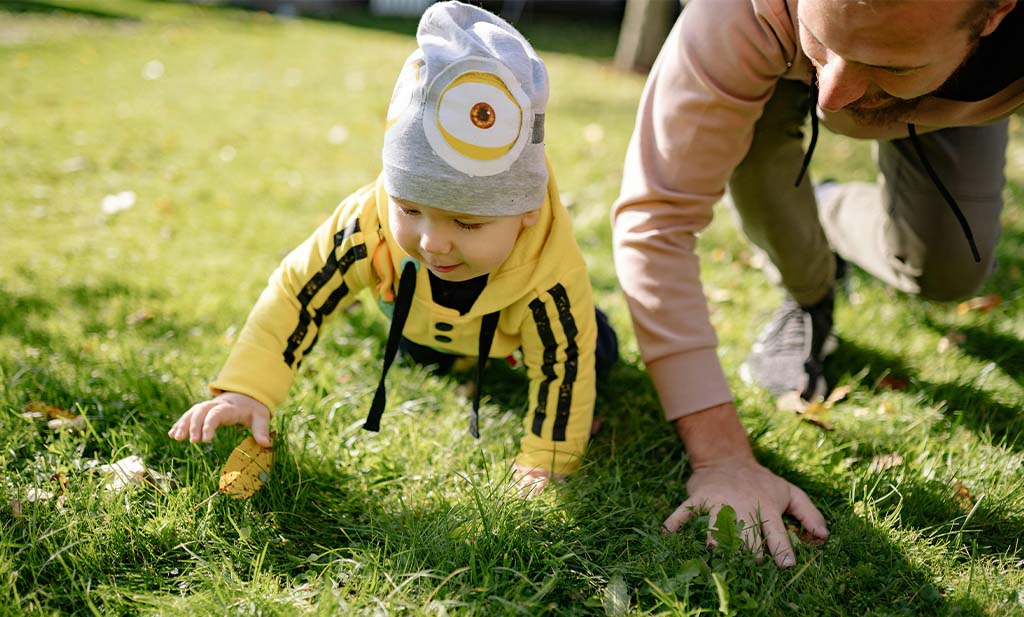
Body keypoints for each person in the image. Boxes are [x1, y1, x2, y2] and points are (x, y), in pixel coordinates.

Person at [612, 0, 1020, 566]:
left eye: (890, 65)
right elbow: (657, 218)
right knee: (759, 180)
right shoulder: (737, 13)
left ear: (997, 12)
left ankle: (823, 207)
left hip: (950, 98)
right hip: (768, 52)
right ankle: (810, 292)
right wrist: (722, 459)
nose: (831, 95)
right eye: (822, 43)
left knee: (948, 272)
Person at [169, 0, 618, 493]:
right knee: (421, 351)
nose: (431, 241)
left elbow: (565, 365)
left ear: (526, 212)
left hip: (516, 329)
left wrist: (547, 460)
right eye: (409, 210)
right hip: (423, 321)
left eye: (467, 224)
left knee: (595, 349)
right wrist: (247, 388)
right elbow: (299, 294)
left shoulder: (550, 275)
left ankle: (511, 363)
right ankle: (445, 351)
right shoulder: (368, 222)